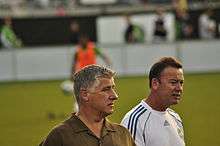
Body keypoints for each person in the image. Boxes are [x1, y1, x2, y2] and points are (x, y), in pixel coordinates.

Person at [40, 65, 136, 146]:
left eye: (113, 88)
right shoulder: (60, 136)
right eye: (106, 89)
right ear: (85, 95)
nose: (115, 96)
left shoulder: (122, 134)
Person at [121, 57, 185, 146]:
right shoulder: (135, 120)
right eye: (173, 82)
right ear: (155, 83)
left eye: (181, 83)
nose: (179, 88)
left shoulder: (175, 118)